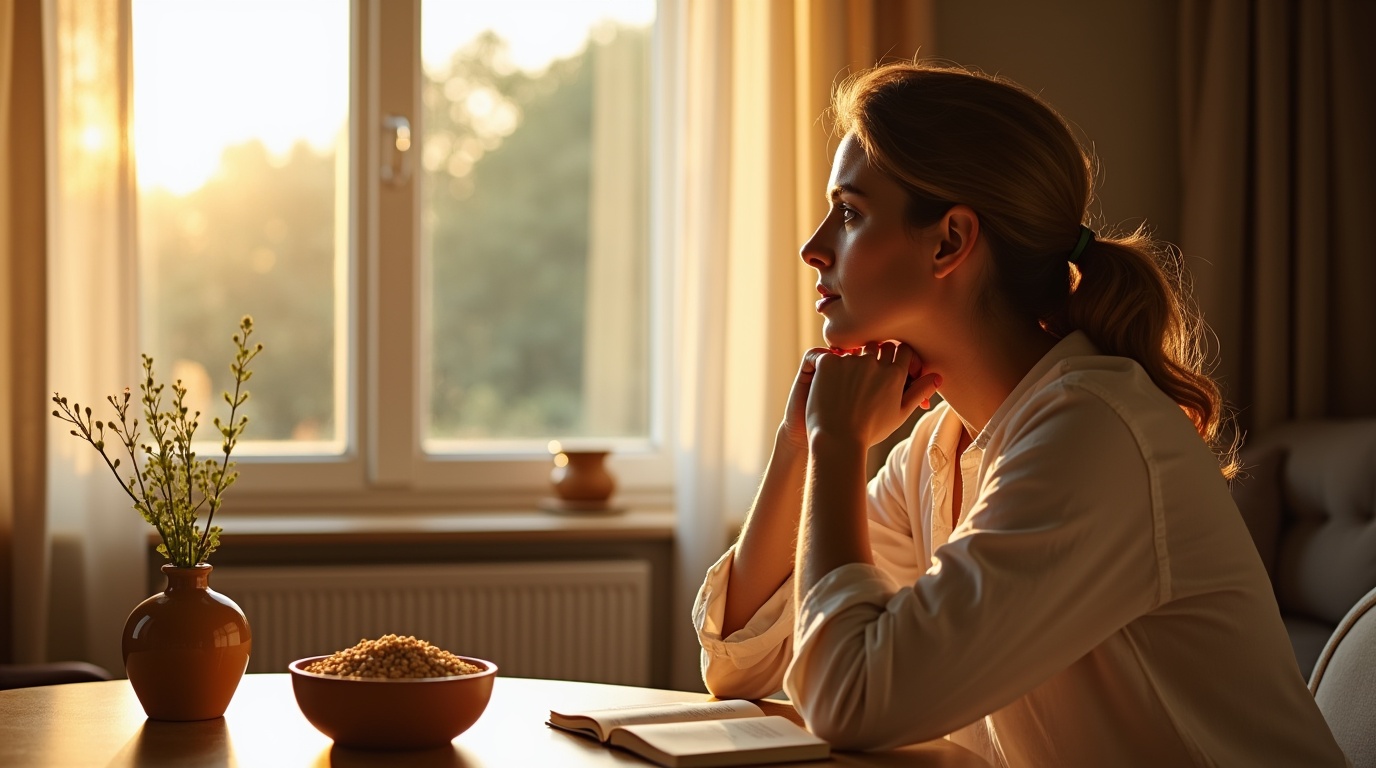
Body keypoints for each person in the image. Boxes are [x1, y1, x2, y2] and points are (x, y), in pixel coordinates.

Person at [691, 61, 1347, 767]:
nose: (813, 247)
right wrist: (803, 446)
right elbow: (747, 665)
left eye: (850, 213)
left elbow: (851, 700)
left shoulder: (1093, 437)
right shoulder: (940, 448)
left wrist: (840, 440)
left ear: (949, 241)